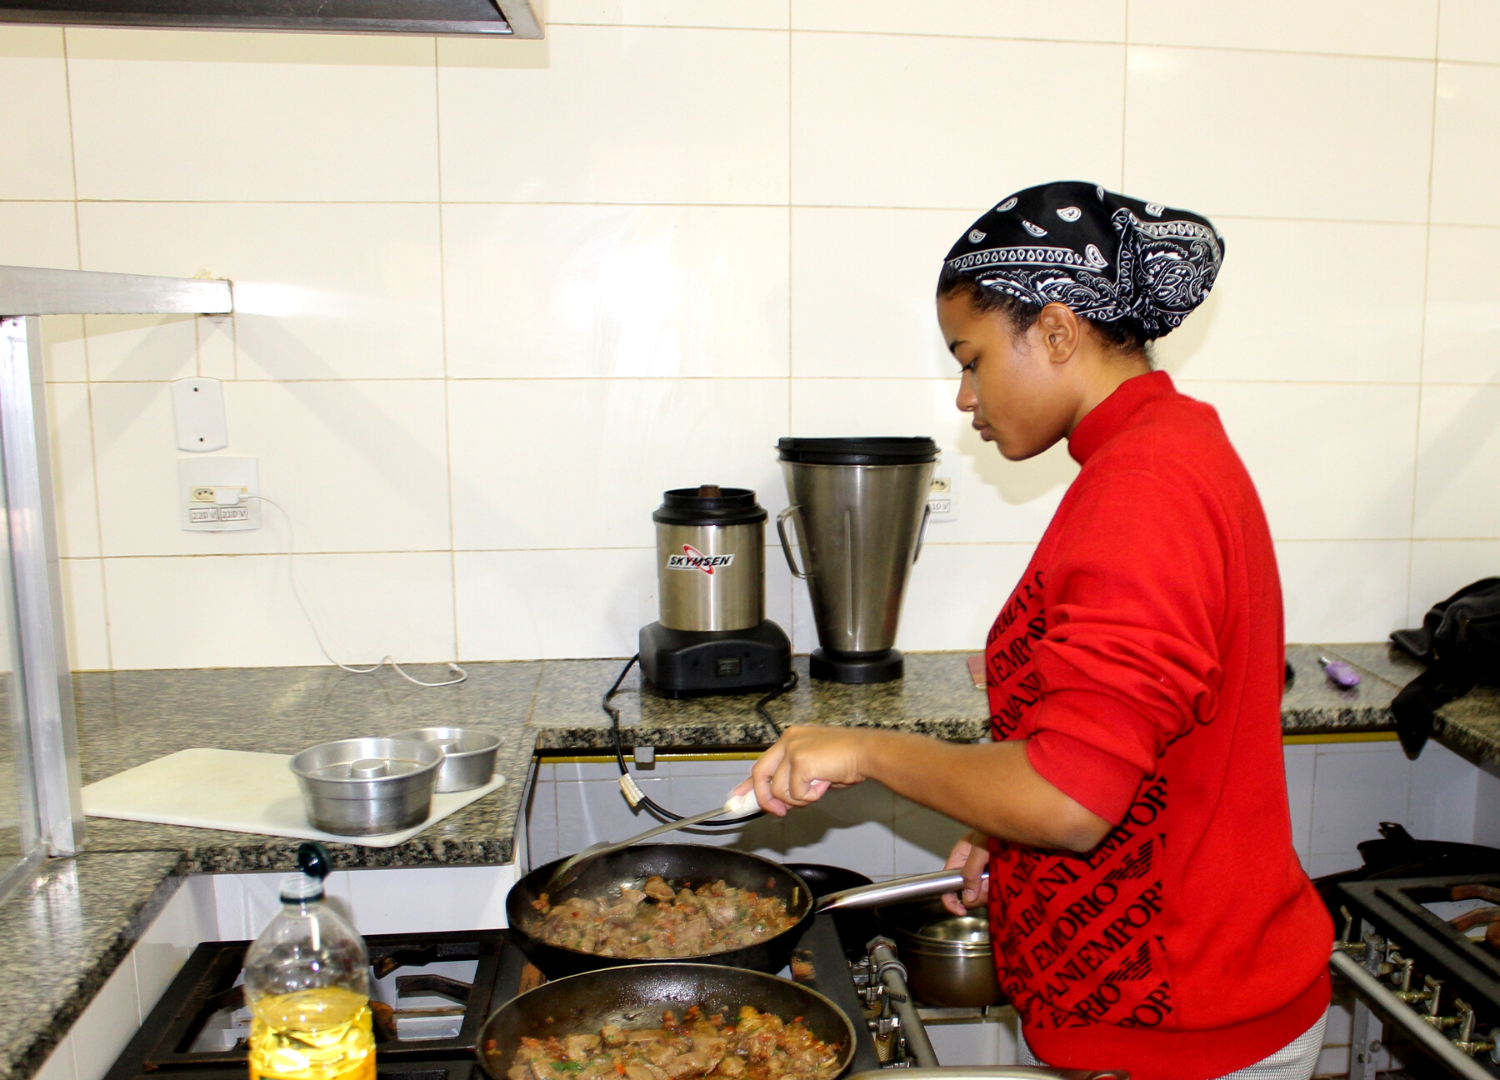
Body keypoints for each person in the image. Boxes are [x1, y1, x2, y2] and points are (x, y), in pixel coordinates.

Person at [734, 181, 1333, 1080]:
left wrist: (862, 749)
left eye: (971, 359)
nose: (966, 398)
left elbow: (1068, 800)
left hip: (1182, 1029)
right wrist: (1006, 831)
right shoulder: (1161, 451)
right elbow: (1120, 757)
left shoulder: (1143, 490)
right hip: (1174, 998)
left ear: (1056, 332)